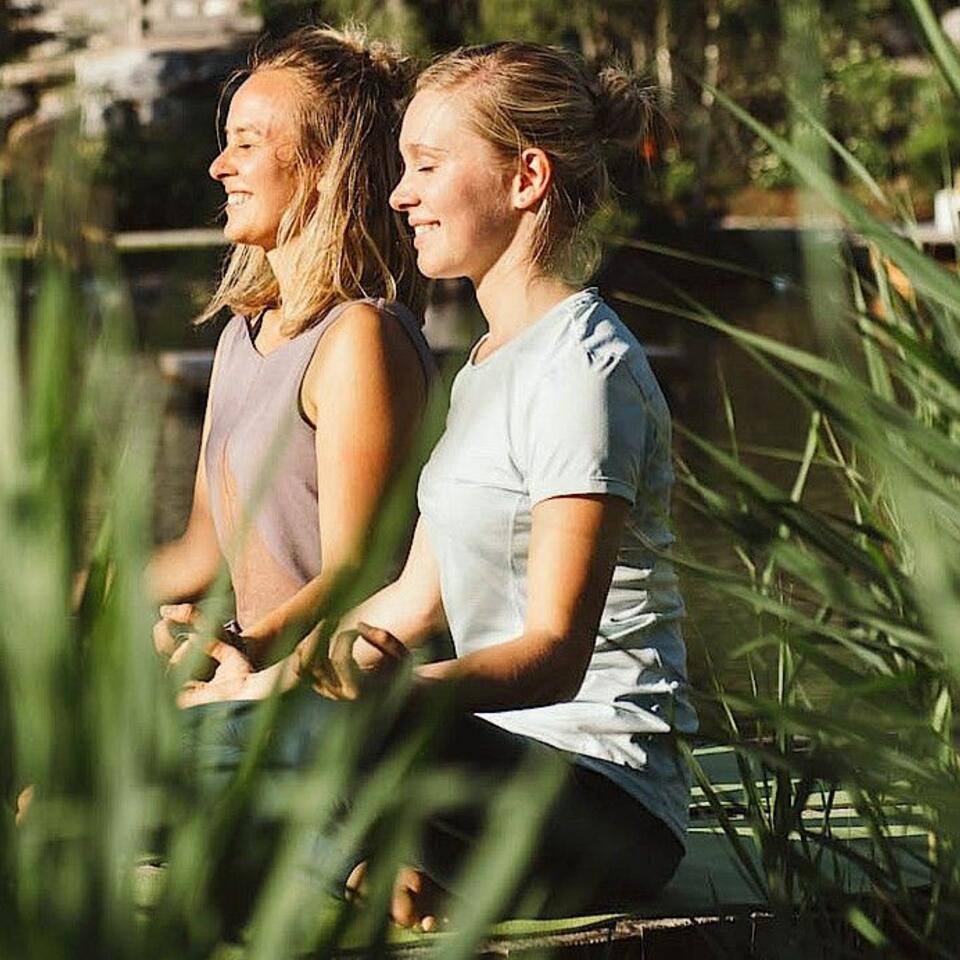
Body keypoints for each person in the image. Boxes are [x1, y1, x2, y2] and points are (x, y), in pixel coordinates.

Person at [181, 40, 696, 927]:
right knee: (209, 733)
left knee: (314, 739)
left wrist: (387, 698)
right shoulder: (491, 362)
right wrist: (247, 684)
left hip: (603, 802)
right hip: (486, 766)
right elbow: (411, 602)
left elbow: (557, 653)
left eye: (426, 166)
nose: (397, 193)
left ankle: (364, 873)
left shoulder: (585, 369)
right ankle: (385, 877)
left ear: (525, 177)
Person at [146, 26, 432, 662]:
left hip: (336, 703)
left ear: (326, 167)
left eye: (246, 144)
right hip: (252, 685)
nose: (220, 167)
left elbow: (358, 572)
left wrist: (240, 653)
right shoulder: (239, 338)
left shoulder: (361, 338)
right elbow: (201, 554)